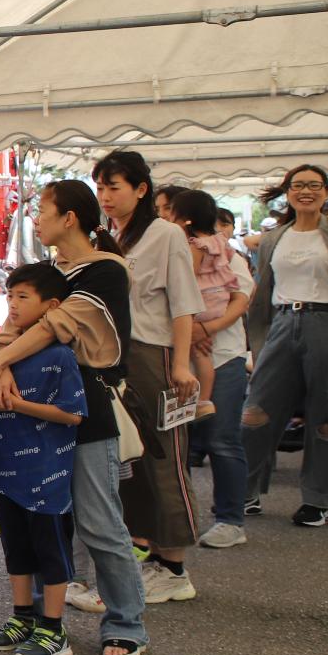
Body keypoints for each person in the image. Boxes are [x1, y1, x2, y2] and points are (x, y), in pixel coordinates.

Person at [0, 181, 148, 655]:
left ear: (68, 218)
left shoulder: (106, 271)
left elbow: (54, 326)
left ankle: (126, 623)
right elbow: (10, 331)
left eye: (42, 210)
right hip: (31, 415)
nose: (35, 218)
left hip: (86, 408)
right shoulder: (48, 273)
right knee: (31, 516)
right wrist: (1, 366)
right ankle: (33, 619)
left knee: (98, 520)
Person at [93, 151, 203, 605]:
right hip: (116, 358)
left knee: (164, 460)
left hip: (154, 356)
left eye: (114, 187)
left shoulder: (166, 235)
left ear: (141, 189)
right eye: (100, 188)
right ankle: (153, 557)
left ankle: (175, 567)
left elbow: (183, 304)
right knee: (131, 463)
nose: (106, 197)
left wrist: (180, 365)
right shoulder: (110, 236)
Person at [0, 263, 88, 655]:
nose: (12, 303)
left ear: (51, 305)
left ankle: (53, 628)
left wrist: (17, 404)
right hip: (3, 463)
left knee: (51, 549)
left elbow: (73, 414)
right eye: (9, 295)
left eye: (23, 297)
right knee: (15, 547)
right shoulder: (7, 349)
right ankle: (22, 617)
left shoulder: (59, 355)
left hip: (46, 470)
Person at [240, 163, 328, 528]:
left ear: (327, 192)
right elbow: (262, 292)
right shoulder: (276, 237)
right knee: (256, 411)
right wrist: (258, 342)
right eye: (297, 185)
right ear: (287, 192)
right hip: (281, 324)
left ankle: (317, 499)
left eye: (314, 185)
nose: (305, 191)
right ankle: (245, 492)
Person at [177, 190, 255, 548]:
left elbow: (241, 299)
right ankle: (181, 519)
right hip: (180, 358)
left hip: (224, 355)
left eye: (168, 212)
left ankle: (230, 520)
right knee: (181, 446)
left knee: (222, 440)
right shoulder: (174, 252)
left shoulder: (225, 253)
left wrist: (203, 329)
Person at [180, 190, 241, 420]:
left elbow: (189, 279)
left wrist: (196, 322)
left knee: (199, 352)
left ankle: (203, 400)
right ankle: (203, 400)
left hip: (202, 302)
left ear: (185, 219)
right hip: (220, 298)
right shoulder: (219, 241)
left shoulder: (195, 245)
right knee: (202, 353)